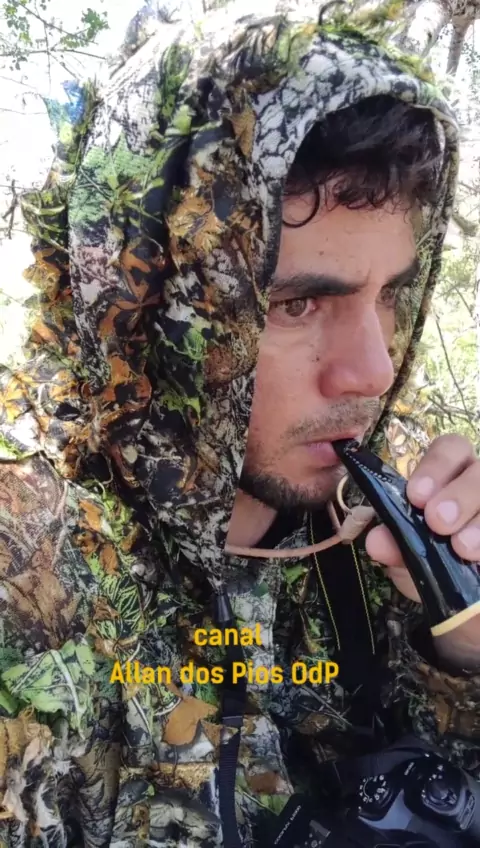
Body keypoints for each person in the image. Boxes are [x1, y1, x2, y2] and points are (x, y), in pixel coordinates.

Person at [0, 1, 479, 846]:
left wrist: (466, 646)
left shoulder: (378, 530)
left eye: (392, 294)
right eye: (296, 304)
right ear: (152, 306)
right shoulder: (27, 581)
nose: (373, 371)